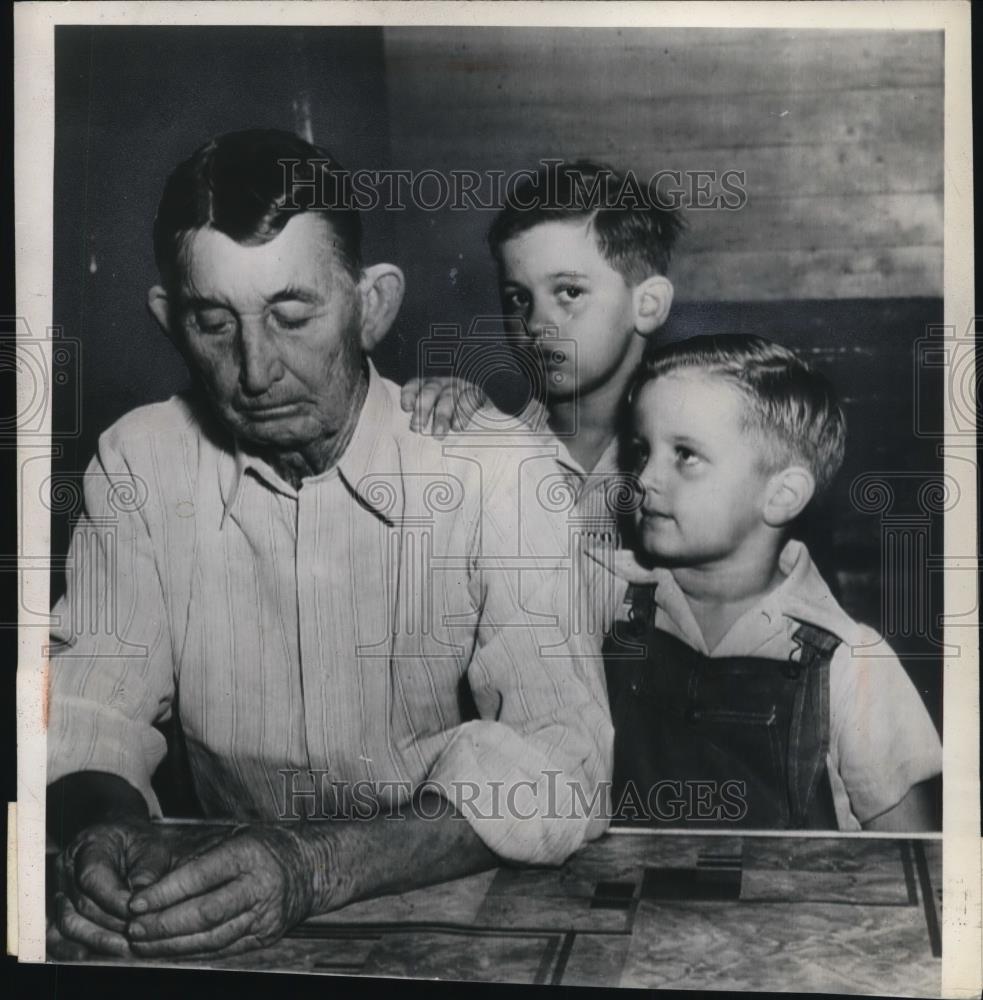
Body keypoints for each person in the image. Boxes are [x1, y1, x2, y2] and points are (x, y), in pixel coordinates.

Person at [45, 129, 613, 961]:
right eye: (214, 322)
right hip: (220, 914)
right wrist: (104, 831)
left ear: (372, 305)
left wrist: (314, 867)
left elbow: (561, 760)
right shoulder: (139, 460)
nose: (255, 369)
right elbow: (88, 705)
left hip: (458, 918)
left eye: (292, 314)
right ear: (169, 322)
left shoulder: (501, 470)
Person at [599, 335, 942, 830]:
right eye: (641, 450)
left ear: (782, 495)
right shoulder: (599, 599)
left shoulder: (850, 663)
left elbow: (909, 859)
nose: (644, 478)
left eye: (685, 455)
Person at [401, 159, 683, 544]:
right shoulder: (487, 442)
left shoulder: (689, 462)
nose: (535, 324)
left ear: (648, 305)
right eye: (518, 298)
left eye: (569, 292)